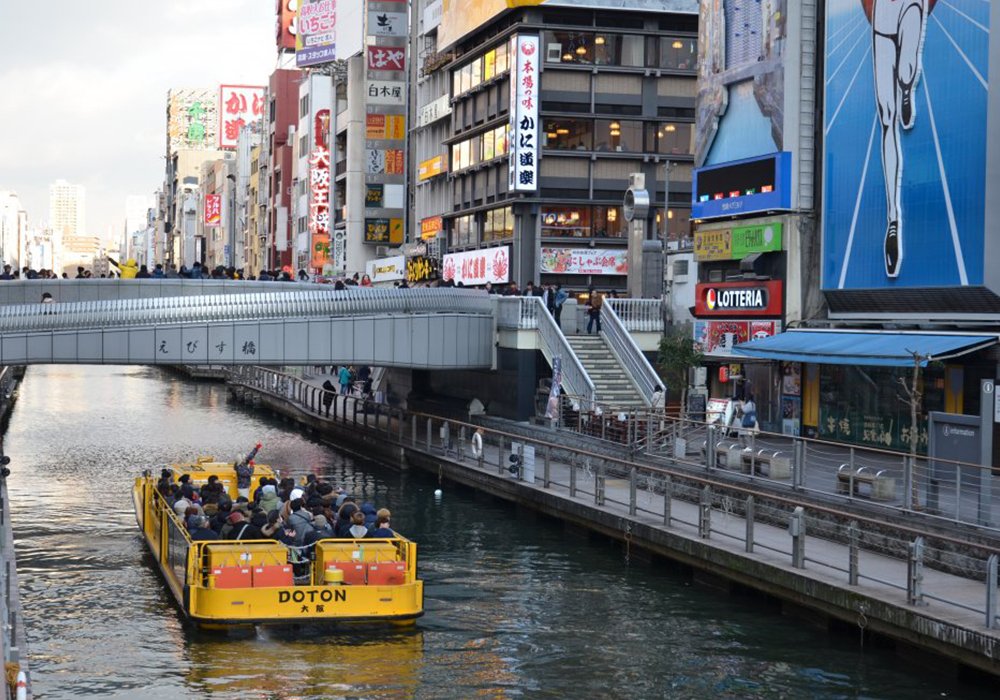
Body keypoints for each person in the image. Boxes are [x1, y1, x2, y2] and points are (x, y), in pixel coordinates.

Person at [869, 0, 931, 278]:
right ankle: (892, 218)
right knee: (886, 117)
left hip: (910, 6)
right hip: (882, 19)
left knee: (906, 70)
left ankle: (906, 88)